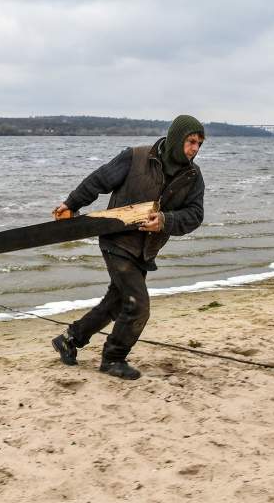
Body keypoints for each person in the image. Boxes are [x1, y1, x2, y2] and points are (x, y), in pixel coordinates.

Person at [51, 115, 206, 380]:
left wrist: (166, 221)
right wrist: (71, 203)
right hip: (116, 239)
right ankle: (113, 358)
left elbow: (195, 214)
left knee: (118, 301)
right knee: (138, 305)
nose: (195, 148)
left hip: (145, 250)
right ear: (176, 138)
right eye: (191, 141)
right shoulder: (135, 157)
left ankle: (70, 339)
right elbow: (99, 180)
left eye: (200, 144)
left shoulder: (192, 176)